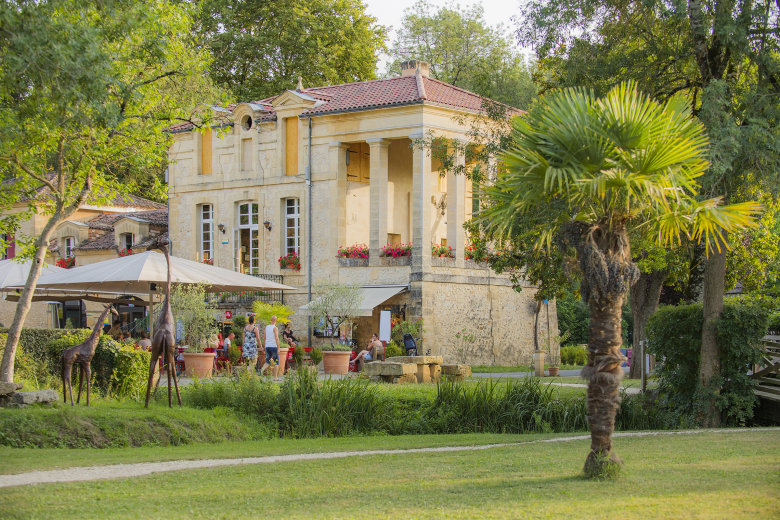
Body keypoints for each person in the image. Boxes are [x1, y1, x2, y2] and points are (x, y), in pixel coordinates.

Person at [259, 315, 281, 381]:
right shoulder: (275, 328)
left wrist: (264, 346)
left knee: (268, 361)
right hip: (273, 346)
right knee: (276, 362)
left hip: (267, 346)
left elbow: (265, 337)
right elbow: (276, 338)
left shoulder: (267, 327)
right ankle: (275, 378)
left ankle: (261, 370)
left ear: (271, 320)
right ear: (276, 320)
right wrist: (279, 348)